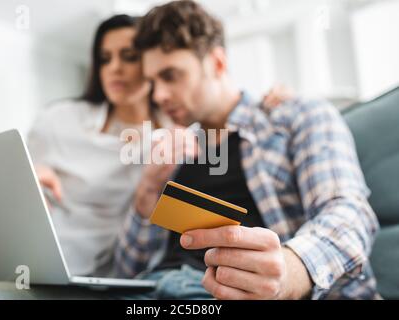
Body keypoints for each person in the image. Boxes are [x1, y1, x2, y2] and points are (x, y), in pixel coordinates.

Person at [115, 0, 380, 300]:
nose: (159, 95)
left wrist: (290, 270)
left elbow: (350, 215)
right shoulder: (172, 154)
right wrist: (148, 191)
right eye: (151, 82)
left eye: (171, 75)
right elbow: (125, 272)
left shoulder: (294, 116)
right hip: (154, 290)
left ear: (216, 63)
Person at [27, 13, 289, 278]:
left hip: (111, 276)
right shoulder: (59, 121)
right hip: (51, 255)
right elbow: (23, 181)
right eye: (104, 59)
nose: (114, 68)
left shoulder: (178, 135)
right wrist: (27, 179)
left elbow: (225, 107)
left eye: (129, 56)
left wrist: (276, 102)